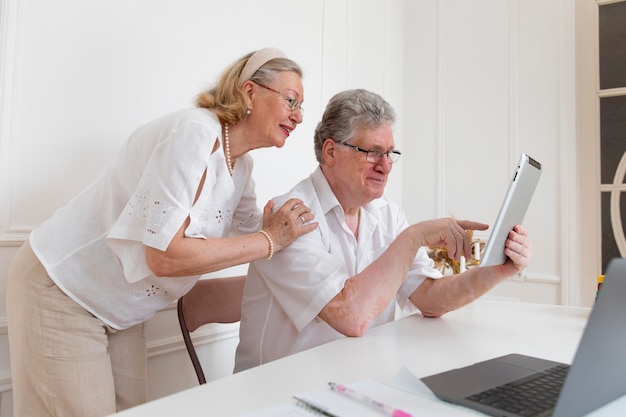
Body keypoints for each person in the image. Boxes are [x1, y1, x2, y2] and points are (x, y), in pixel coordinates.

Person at [6, 47, 318, 417]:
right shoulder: (195, 134)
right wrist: (270, 239)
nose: (298, 116)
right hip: (65, 289)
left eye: (302, 106)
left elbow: (256, 231)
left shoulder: (241, 164)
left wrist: (296, 221)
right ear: (250, 92)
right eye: (290, 100)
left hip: (121, 310)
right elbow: (164, 256)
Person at [234, 89, 533, 372]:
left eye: (390, 153)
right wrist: (413, 237)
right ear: (330, 152)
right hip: (282, 393)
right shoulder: (288, 217)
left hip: (360, 380)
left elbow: (429, 298)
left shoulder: (387, 214)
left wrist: (495, 271)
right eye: (373, 152)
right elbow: (350, 316)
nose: (386, 166)